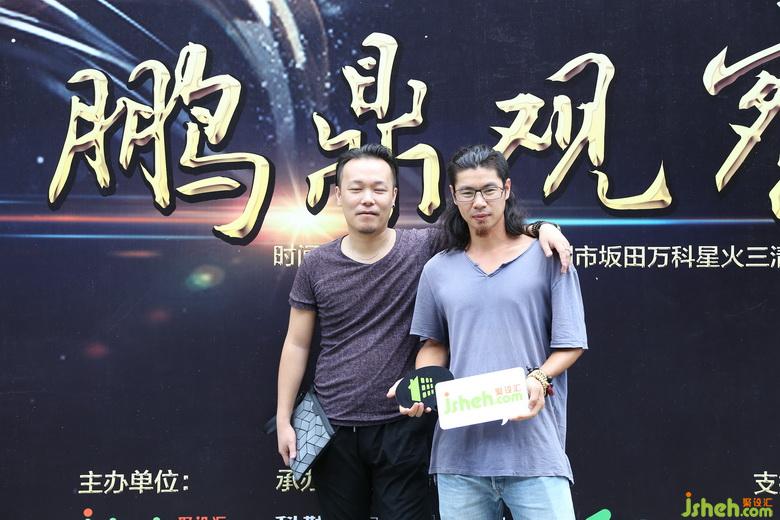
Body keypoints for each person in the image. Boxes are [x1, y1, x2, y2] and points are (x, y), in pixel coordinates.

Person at [276, 143, 573, 520]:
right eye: (356, 188)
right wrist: (284, 419)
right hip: (332, 425)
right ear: (338, 194)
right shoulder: (316, 264)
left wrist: (542, 227)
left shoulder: (425, 247)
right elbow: (297, 344)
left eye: (379, 188)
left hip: (405, 424)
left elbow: (486, 224)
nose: (367, 198)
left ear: (394, 195)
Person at [394, 144, 587, 520]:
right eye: (468, 192)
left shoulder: (549, 257)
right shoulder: (438, 269)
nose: (479, 202)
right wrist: (421, 384)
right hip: (459, 456)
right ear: (453, 196)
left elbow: (571, 344)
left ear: (507, 189)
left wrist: (539, 377)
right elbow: (433, 343)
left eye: (489, 190)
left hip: (534, 451)